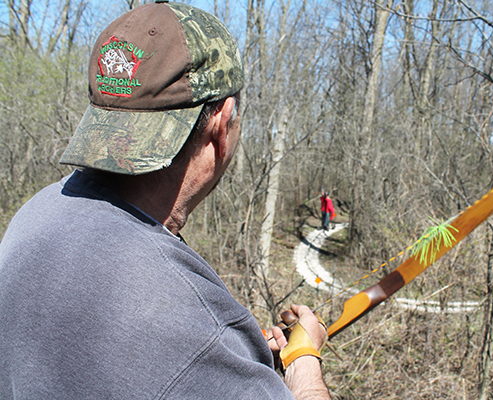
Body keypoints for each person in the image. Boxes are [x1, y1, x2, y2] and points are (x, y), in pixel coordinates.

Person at [0, 2, 330, 399]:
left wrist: (234, 360)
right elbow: (174, 345)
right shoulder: (183, 323)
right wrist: (305, 359)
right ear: (222, 126)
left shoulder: (37, 213)